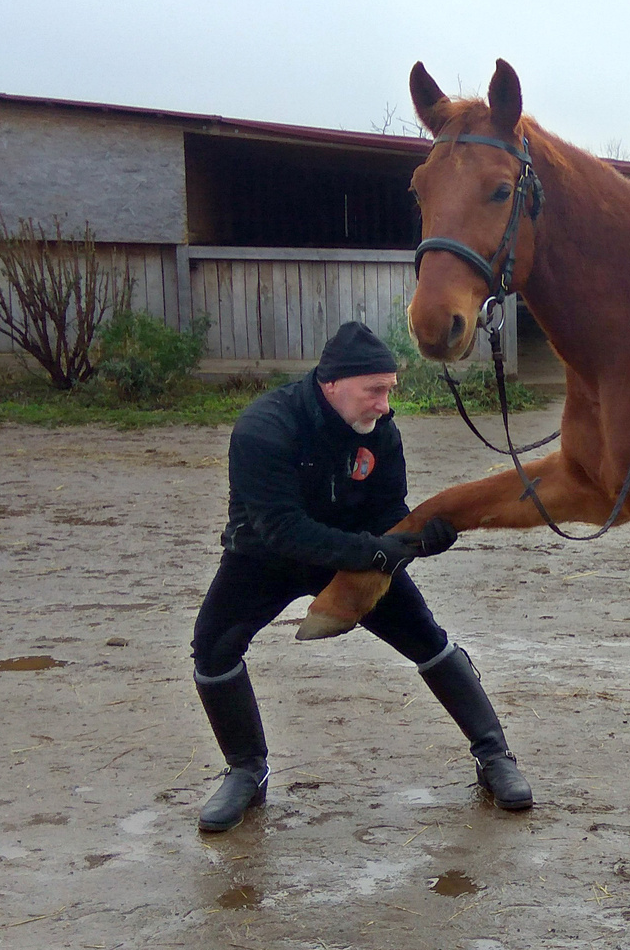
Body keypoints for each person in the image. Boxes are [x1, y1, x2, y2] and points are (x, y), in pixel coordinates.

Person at [189, 321, 531, 832]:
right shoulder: (265, 427)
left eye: (389, 390)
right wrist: (375, 551)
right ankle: (246, 771)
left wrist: (420, 542)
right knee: (212, 647)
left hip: (356, 555)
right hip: (264, 555)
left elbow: (389, 512)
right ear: (332, 385)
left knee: (427, 638)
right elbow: (280, 529)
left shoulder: (382, 432)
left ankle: (495, 756)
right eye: (375, 391)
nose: (385, 406)